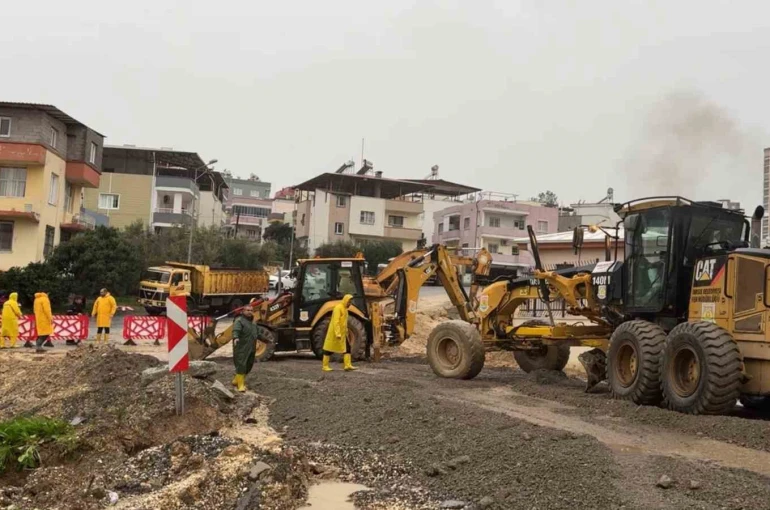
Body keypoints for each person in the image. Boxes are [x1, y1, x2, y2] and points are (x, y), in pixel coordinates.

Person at [322, 294, 357, 372]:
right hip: (335, 333)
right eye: (349, 302)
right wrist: (337, 333)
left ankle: (347, 365)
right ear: (346, 301)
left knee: (347, 348)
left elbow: (344, 322)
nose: (350, 304)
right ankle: (325, 366)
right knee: (329, 349)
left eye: (350, 302)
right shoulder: (338, 308)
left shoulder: (345, 309)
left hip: (342, 333)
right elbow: (336, 322)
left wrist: (346, 331)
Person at [231, 305, 259, 392]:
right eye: (248, 310)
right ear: (243, 311)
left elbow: (256, 332)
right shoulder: (239, 321)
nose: (250, 312)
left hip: (251, 347)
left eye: (251, 310)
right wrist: (236, 337)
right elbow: (236, 330)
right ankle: (240, 385)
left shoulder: (253, 322)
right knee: (241, 365)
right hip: (241, 347)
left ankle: (236, 380)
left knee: (249, 364)